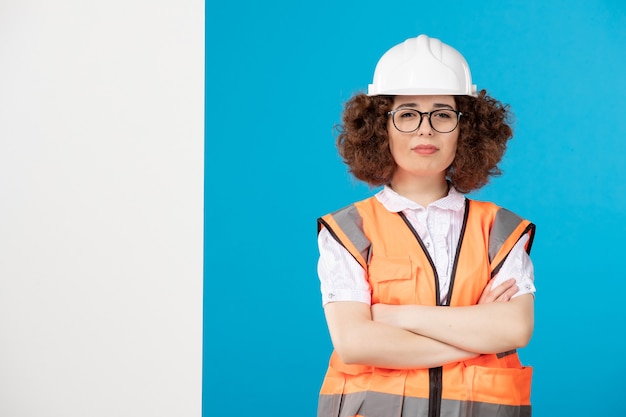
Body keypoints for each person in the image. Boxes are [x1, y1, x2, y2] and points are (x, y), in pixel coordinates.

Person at [316, 34, 537, 417]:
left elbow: (514, 329)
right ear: (379, 128)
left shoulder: (501, 229)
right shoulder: (349, 229)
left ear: (465, 129)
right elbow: (355, 342)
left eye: (442, 114)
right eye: (407, 114)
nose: (425, 129)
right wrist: (476, 336)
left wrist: (399, 316)